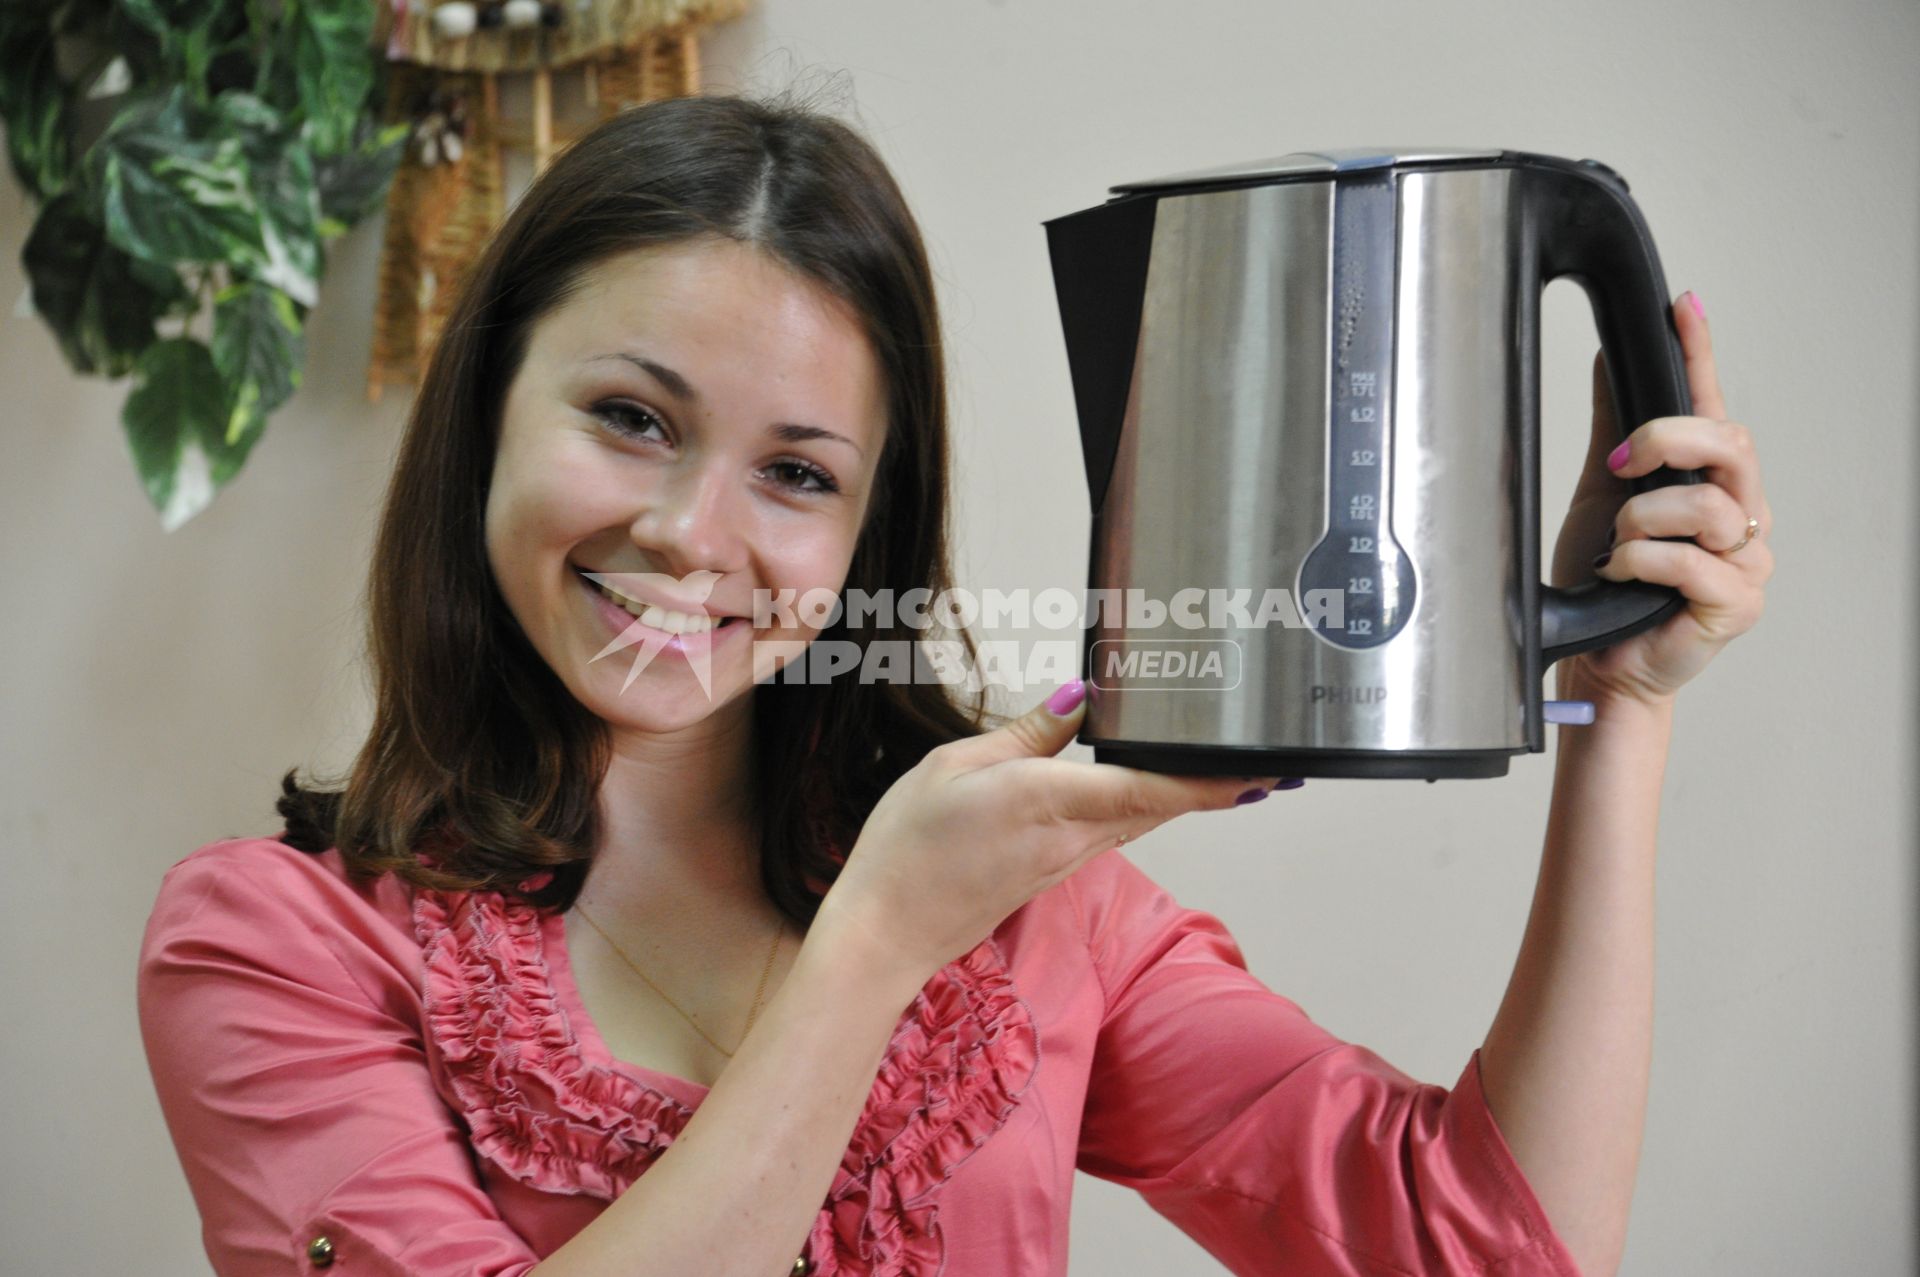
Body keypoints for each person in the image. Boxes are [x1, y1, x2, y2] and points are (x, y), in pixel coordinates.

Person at [136, 93, 1773, 1277]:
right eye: (632, 417)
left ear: (870, 526)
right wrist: (875, 945)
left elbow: (1483, 1248)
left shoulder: (1036, 909)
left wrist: (1617, 705)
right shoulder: (276, 944)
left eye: (797, 472)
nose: (693, 533)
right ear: (487, 409)